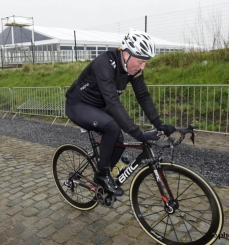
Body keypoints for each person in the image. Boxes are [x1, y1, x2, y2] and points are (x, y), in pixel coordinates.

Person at [65, 28, 176, 196]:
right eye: (140, 61)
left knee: (119, 138)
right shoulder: (104, 63)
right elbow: (113, 102)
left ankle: (105, 171)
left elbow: (143, 96)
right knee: (113, 128)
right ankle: (102, 174)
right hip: (78, 105)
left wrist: (159, 123)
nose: (142, 67)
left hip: (99, 106)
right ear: (126, 54)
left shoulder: (133, 69)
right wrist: (138, 134)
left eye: (146, 62)